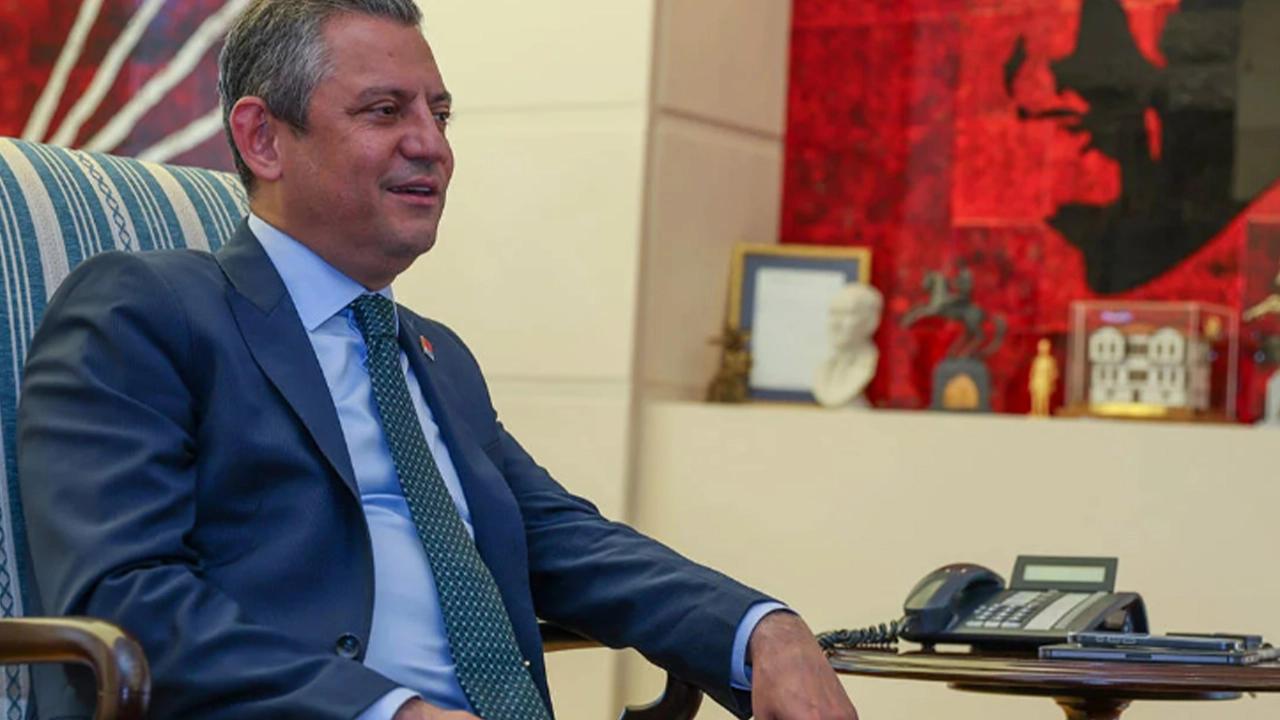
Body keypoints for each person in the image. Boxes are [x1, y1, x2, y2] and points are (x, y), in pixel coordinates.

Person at [17, 2, 857, 719]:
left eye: (441, 115)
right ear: (263, 138)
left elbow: (561, 539)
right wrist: (388, 711)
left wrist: (760, 628)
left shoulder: (432, 354)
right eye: (385, 111)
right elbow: (124, 597)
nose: (432, 146)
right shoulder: (147, 310)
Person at [813, 284, 882, 408]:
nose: (836, 323)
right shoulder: (824, 369)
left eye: (847, 314)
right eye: (833, 313)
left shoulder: (873, 365)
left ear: (871, 320)